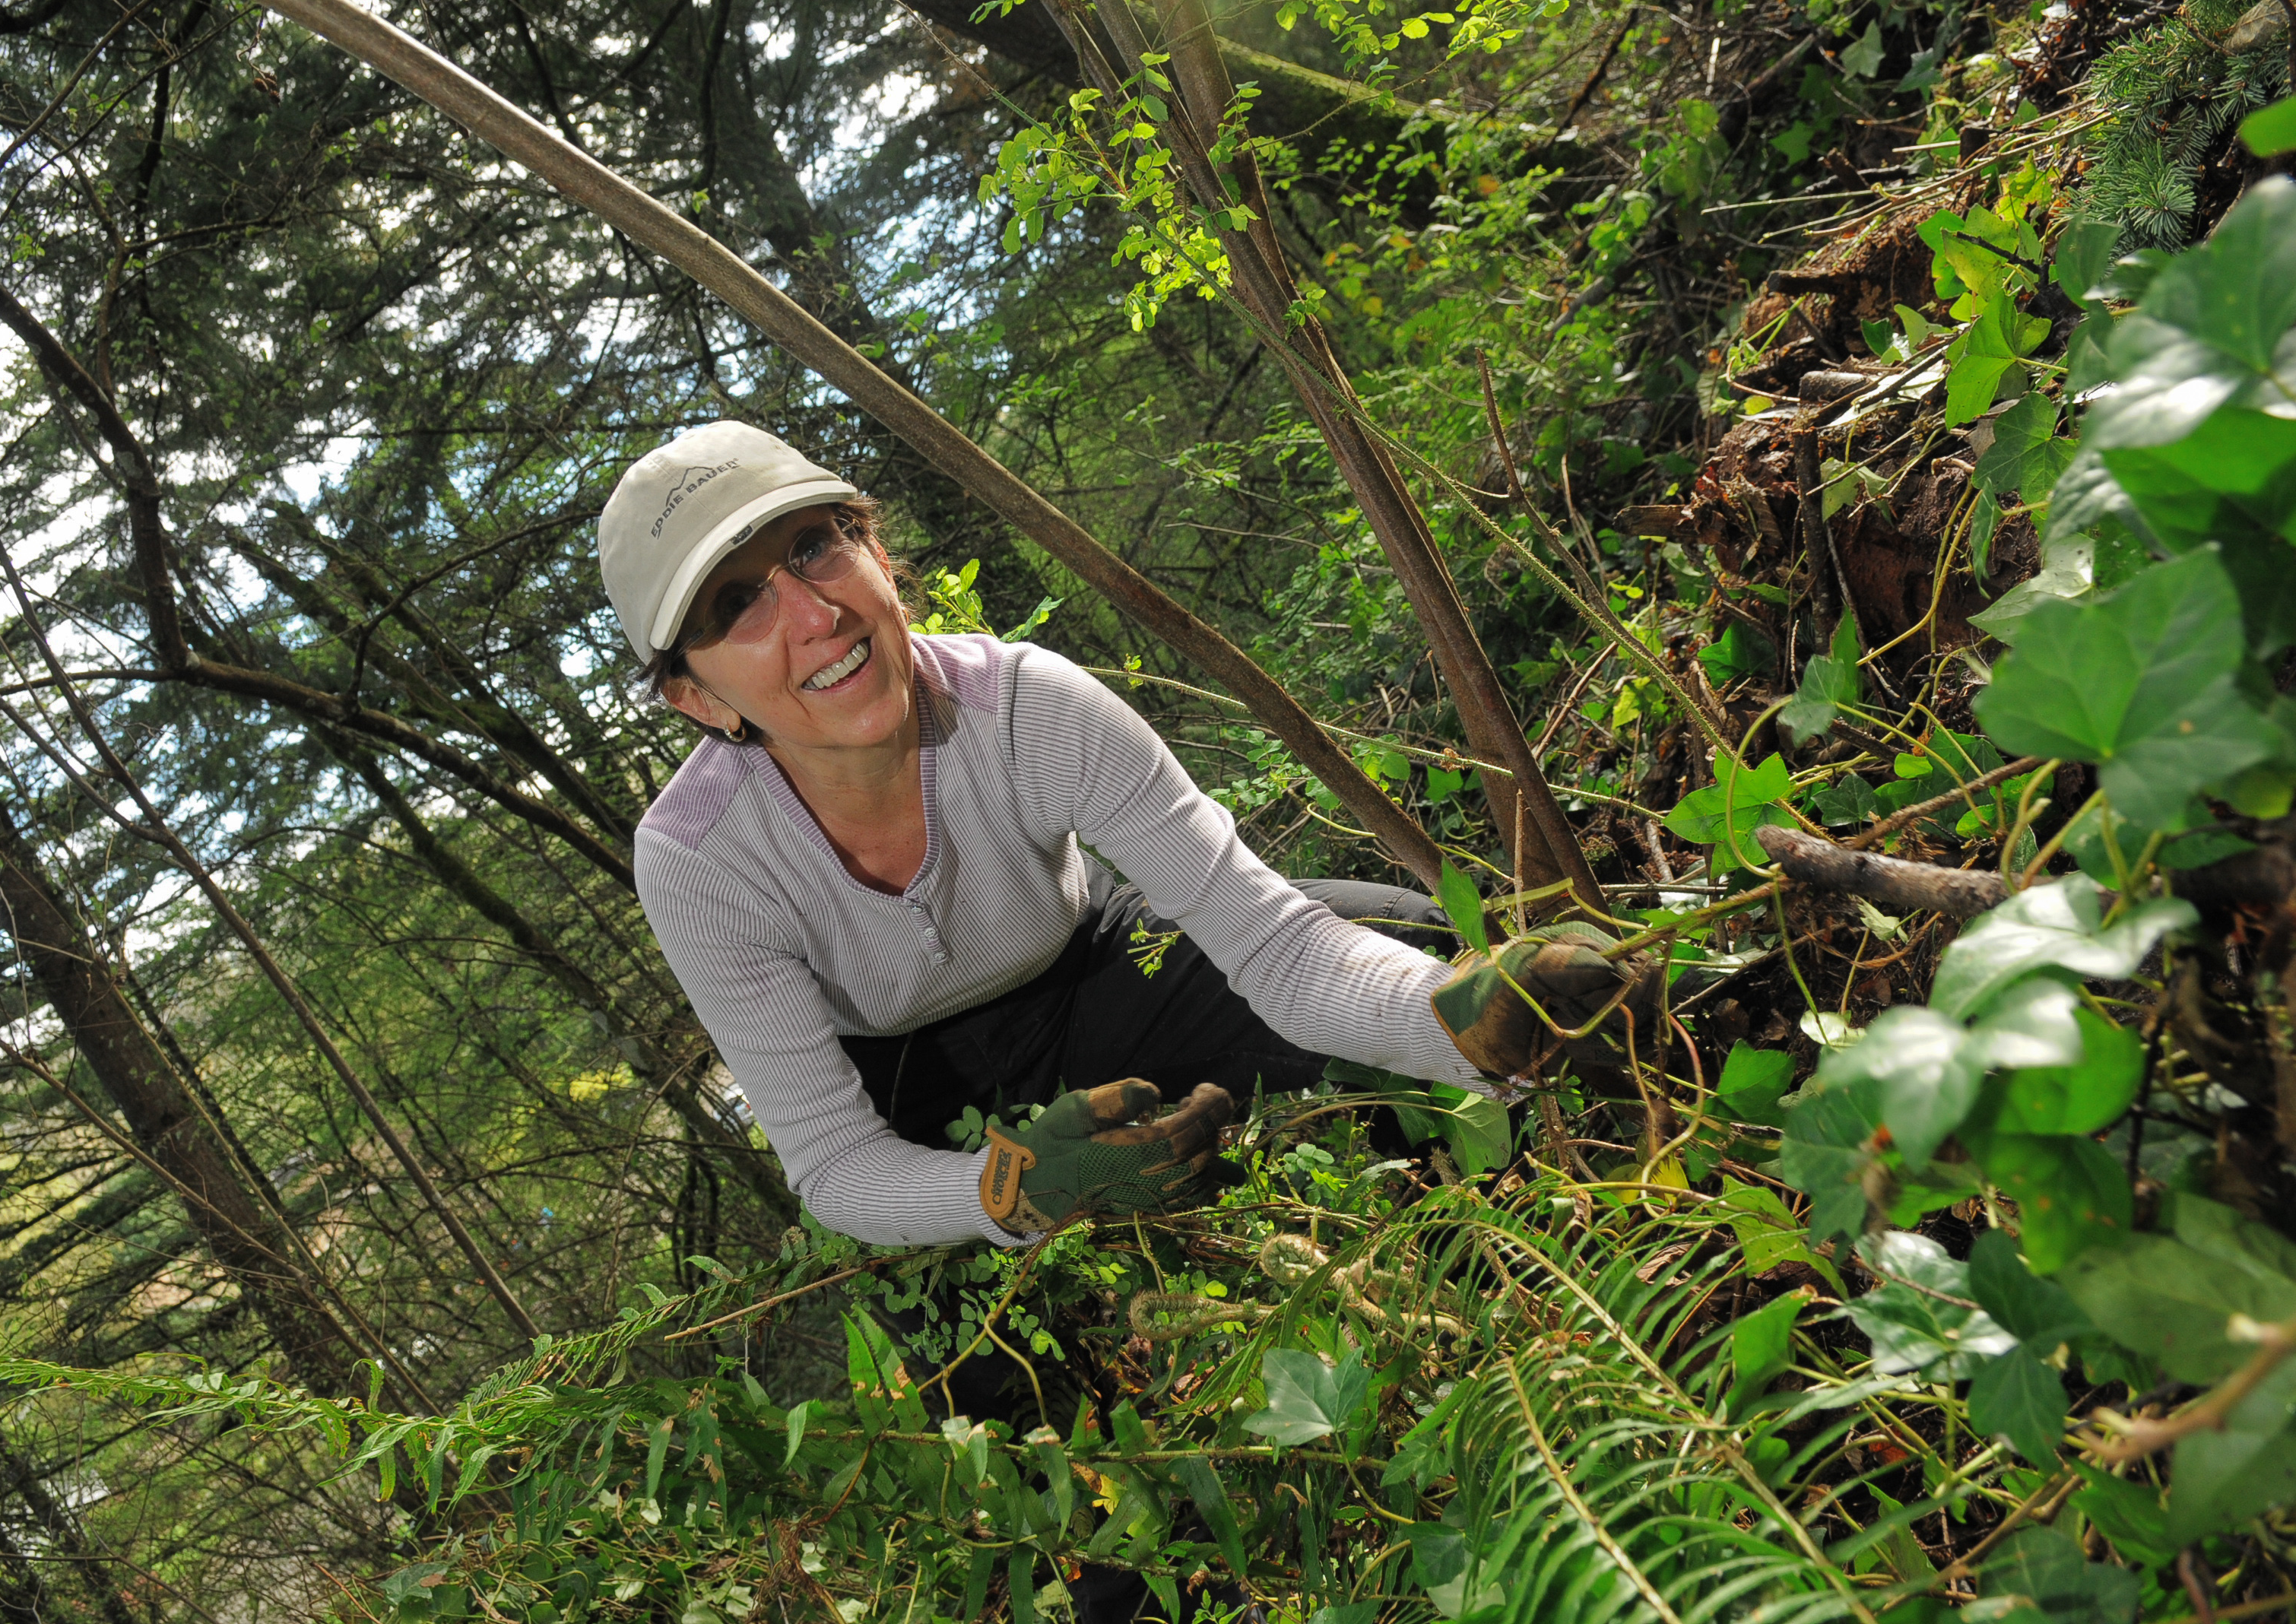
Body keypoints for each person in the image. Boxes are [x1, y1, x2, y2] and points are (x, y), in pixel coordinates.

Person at [601, 420, 1638, 1624]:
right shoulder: (699, 862)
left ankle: (1511, 1280)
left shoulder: (1024, 706)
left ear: (876, 557)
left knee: (1399, 934)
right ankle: (1170, 1591)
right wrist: (1009, 1192)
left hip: (1094, 972)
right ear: (693, 695)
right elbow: (832, 1164)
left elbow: (1277, 945)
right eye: (738, 604)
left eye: (818, 547)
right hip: (904, 1096)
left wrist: (1450, 1018)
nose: (813, 613)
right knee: (1026, 1438)